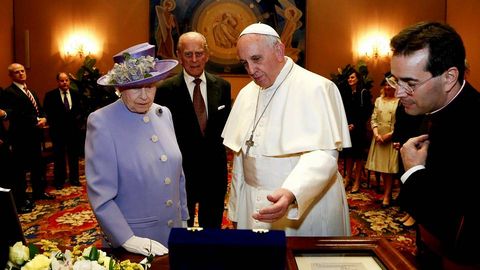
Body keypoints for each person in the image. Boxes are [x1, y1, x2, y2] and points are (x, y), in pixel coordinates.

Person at [222, 23, 351, 236]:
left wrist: (292, 191)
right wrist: (235, 211)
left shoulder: (317, 88)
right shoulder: (246, 94)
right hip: (252, 203)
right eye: (244, 63)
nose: (251, 71)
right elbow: (240, 159)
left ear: (279, 51)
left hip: (302, 206)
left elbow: (324, 155)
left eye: (256, 59)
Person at [389, 21, 480, 268]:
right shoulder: (431, 108)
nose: (398, 93)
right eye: (395, 80)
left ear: (449, 77)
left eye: (410, 83)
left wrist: (414, 172)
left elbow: (452, 220)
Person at [85, 43, 187, 256]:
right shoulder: (102, 122)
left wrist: (183, 219)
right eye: (135, 88)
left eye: (150, 86)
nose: (145, 96)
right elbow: (101, 196)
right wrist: (127, 238)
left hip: (174, 232)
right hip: (134, 241)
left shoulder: (163, 113)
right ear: (120, 87)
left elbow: (177, 173)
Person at [155, 32, 231, 229]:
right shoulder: (165, 90)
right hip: (181, 173)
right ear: (179, 56)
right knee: (181, 229)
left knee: (212, 228)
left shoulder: (223, 87)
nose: (194, 60)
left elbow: (226, 129)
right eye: (188, 54)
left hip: (215, 173)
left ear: (207, 54)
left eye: (199, 53)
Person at [1, 63, 55, 210]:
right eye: (17, 72)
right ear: (11, 76)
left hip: (35, 136)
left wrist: (43, 118)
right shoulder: (9, 92)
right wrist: (35, 121)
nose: (21, 74)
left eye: (22, 71)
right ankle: (22, 199)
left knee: (38, 166)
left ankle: (39, 192)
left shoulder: (31, 91)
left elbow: (40, 110)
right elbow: (13, 114)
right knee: (20, 170)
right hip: (21, 137)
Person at [43, 72, 85, 189]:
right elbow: (47, 113)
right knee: (59, 157)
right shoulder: (50, 95)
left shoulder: (76, 94)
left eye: (66, 80)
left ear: (69, 81)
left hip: (73, 132)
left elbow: (81, 111)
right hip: (58, 132)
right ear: (58, 82)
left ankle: (74, 179)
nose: (64, 82)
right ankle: (60, 180)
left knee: (73, 156)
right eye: (62, 80)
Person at [364, 79, 399, 208]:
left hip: (391, 138)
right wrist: (376, 134)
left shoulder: (399, 101)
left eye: (390, 84)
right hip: (379, 137)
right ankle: (387, 193)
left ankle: (387, 195)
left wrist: (388, 136)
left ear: (396, 87)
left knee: (390, 169)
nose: (387, 86)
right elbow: (374, 118)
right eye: (386, 84)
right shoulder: (379, 100)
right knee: (383, 168)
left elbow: (400, 122)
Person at [341, 69, 373, 193]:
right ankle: (348, 178)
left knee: (358, 156)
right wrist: (346, 125)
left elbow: (366, 112)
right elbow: (345, 111)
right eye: (349, 78)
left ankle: (357, 181)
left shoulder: (363, 93)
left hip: (359, 129)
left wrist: (355, 125)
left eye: (353, 77)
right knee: (348, 155)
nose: (350, 79)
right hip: (348, 129)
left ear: (358, 79)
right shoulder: (348, 93)